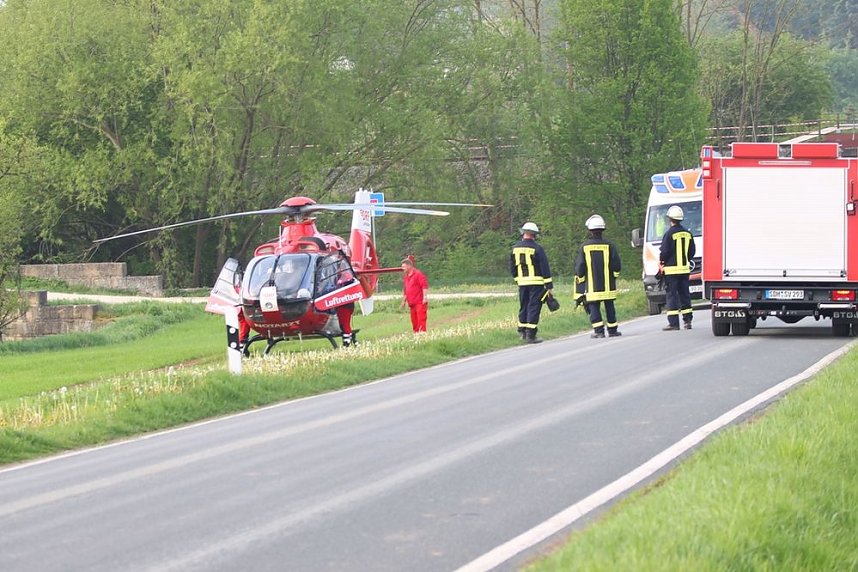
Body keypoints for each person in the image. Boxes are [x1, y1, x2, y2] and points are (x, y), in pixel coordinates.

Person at [574, 214, 622, 338]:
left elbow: (580, 266)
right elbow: (616, 264)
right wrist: (614, 276)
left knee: (594, 307)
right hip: (608, 285)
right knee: (609, 306)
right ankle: (612, 330)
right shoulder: (609, 245)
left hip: (592, 286)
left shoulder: (584, 247)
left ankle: (599, 331)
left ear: (590, 231)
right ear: (602, 230)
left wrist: (582, 280)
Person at [510, 222, 554, 344]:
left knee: (523, 305)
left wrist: (517, 279)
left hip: (522, 283)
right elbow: (544, 267)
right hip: (536, 283)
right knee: (533, 307)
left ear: (523, 233)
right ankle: (531, 334)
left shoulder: (515, 248)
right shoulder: (537, 249)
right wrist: (549, 286)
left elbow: (512, 267)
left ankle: (522, 331)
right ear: (534, 235)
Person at [659, 204, 696, 331]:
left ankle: (674, 323)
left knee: (672, 296)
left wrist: (662, 262)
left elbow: (664, 252)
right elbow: (692, 252)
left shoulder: (669, 234)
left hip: (671, 271)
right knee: (685, 294)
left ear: (670, 219)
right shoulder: (688, 233)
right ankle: (688, 321)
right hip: (685, 270)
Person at [400, 256, 429, 332]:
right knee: (414, 323)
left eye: (404, 267)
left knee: (421, 321)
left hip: (419, 302)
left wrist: (425, 297)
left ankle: (422, 336)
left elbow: (424, 286)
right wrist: (403, 301)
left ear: (409, 266)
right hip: (412, 304)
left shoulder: (418, 274)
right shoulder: (406, 277)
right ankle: (416, 337)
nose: (402, 268)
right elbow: (406, 290)